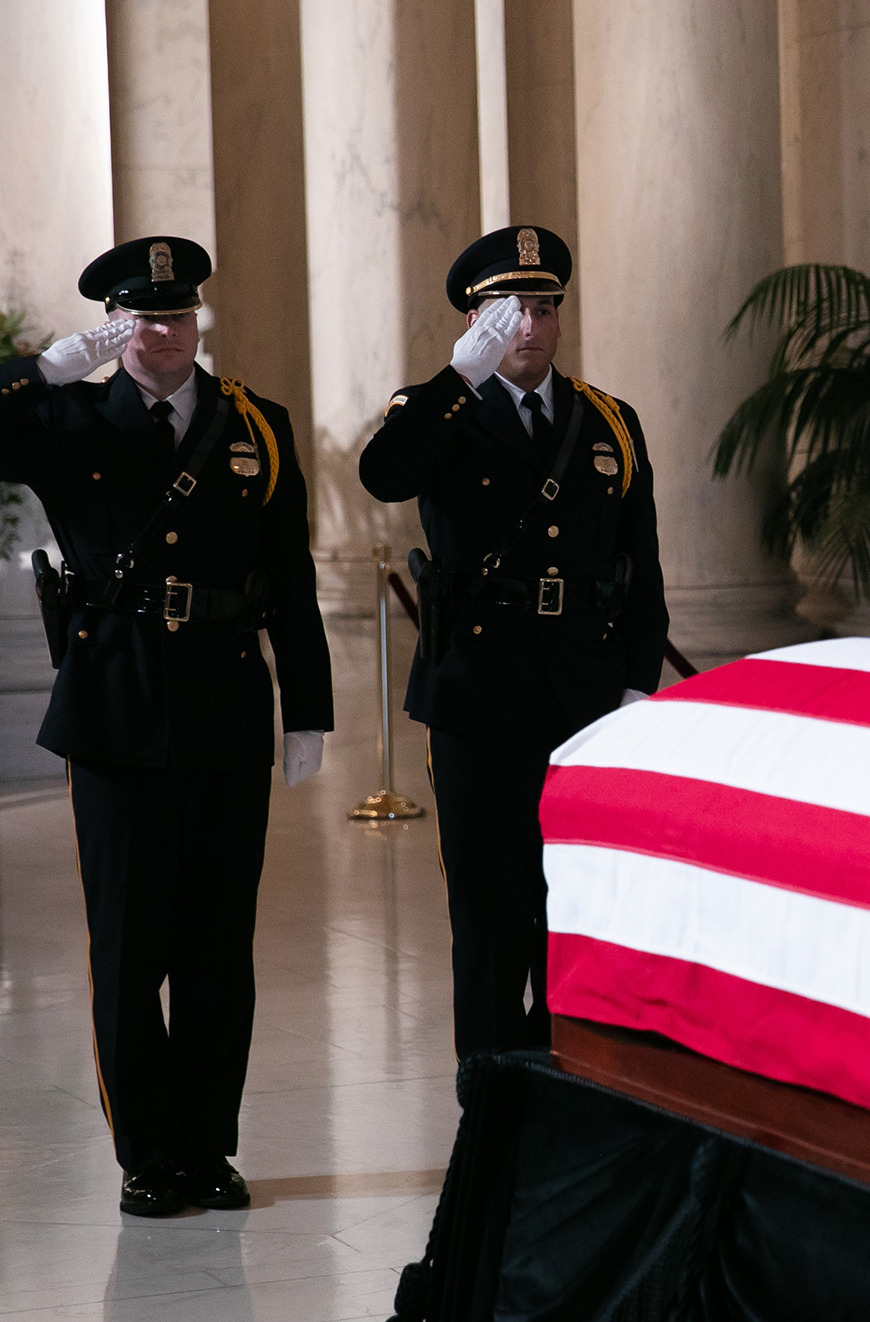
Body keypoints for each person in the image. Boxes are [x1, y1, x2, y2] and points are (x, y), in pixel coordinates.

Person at [0, 236, 333, 1217]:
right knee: (133, 944)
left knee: (219, 946)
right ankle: (149, 1152)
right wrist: (43, 368)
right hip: (115, 708)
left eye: (179, 315)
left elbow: (291, 575)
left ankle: (209, 1145)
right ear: (118, 328)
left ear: (197, 321)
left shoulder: (253, 426)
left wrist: (306, 706)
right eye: (145, 319)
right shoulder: (67, 419)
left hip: (228, 706)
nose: (166, 333)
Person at [360, 226, 668, 1058]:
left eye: (543, 306)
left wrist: (639, 687)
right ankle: (489, 1090)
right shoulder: (436, 413)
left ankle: (563, 1080)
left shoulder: (608, 420)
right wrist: (460, 372)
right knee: (491, 911)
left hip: (585, 694)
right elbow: (385, 474)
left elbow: (641, 568)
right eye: (509, 310)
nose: (529, 326)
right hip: (478, 697)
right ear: (474, 321)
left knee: (572, 904)